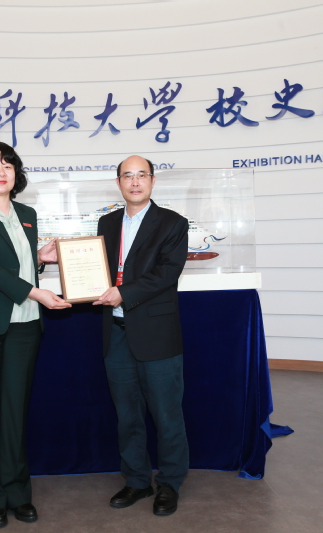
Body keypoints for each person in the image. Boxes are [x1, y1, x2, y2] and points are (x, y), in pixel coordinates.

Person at [0, 141, 71, 529]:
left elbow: (15, 261)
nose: (1, 171)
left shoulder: (27, 214)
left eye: (7, 164)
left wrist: (40, 259)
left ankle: (18, 493)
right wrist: (37, 292)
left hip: (25, 326)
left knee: (14, 412)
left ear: (16, 173)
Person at [93, 155, 190, 516]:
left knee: (166, 414)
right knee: (127, 415)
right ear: (118, 183)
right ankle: (136, 480)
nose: (135, 182)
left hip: (157, 334)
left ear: (152, 181)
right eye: (127, 176)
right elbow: (96, 269)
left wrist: (124, 292)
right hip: (116, 334)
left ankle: (170, 483)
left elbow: (167, 273)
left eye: (141, 175)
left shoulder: (173, 223)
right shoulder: (106, 222)